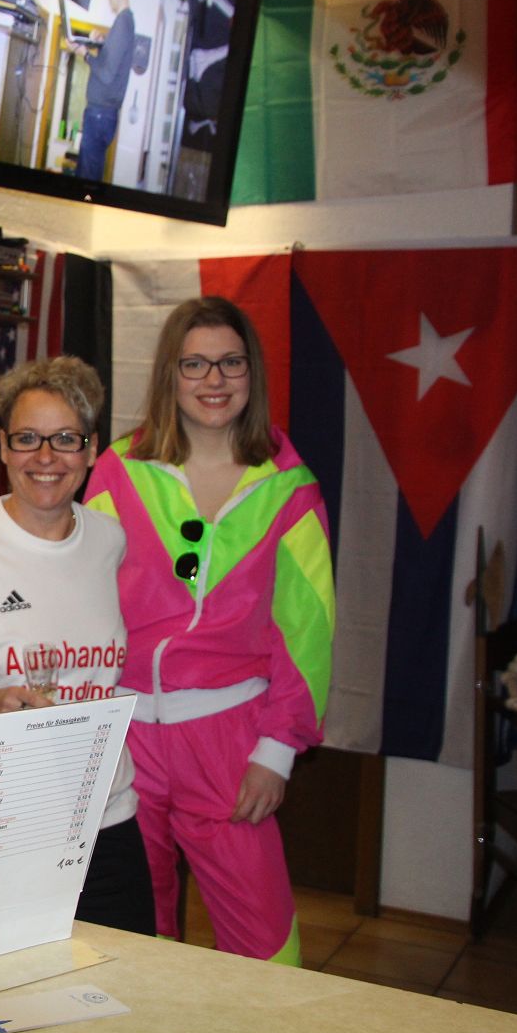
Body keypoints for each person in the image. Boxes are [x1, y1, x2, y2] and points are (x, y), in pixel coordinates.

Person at [83, 295, 333, 965]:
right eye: (194, 364)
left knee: (262, 940)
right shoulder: (118, 470)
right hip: (124, 736)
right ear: (170, 374)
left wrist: (277, 752)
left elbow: (307, 633)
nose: (214, 380)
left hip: (230, 738)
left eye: (230, 363)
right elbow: (82, 597)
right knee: (129, 935)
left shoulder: (291, 488)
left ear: (253, 374)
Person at [0, 356, 154, 935]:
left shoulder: (110, 541)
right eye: (27, 439)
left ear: (92, 450)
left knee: (119, 972)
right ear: (3, 446)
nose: (46, 457)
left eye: (66, 439)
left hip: (103, 811)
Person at [72, 0, 136, 182]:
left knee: (87, 181)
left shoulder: (124, 22)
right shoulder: (124, 23)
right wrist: (101, 44)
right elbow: (112, 63)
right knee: (87, 177)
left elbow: (107, 74)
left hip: (100, 115)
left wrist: (85, 53)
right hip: (102, 115)